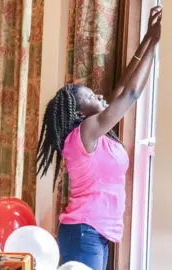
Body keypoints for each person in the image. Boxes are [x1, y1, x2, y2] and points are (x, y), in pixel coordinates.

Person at [36, 6, 162, 270]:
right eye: (91, 97)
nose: (99, 97)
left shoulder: (94, 133)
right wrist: (155, 42)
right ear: (80, 111)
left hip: (92, 232)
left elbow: (120, 90)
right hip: (85, 233)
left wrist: (148, 39)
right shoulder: (85, 132)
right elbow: (130, 96)